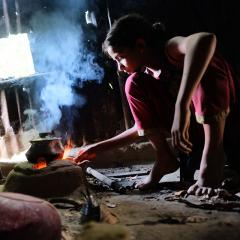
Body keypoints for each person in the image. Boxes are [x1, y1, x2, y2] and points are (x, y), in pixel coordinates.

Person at [74, 13, 240, 196]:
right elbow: (141, 126)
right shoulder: (147, 75)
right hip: (193, 136)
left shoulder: (170, 50)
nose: (119, 67)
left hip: (227, 128)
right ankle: (164, 157)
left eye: (120, 57)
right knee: (133, 84)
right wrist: (96, 148)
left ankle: (212, 162)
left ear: (140, 45)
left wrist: (181, 105)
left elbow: (205, 39)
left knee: (207, 68)